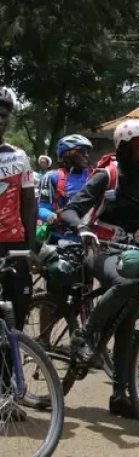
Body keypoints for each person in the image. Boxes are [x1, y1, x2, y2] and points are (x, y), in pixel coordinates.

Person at [61, 119, 139, 418]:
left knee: (127, 328)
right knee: (126, 285)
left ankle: (120, 395)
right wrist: (81, 227)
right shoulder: (107, 176)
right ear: (126, 148)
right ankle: (83, 337)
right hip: (99, 251)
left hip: (132, 257)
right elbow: (70, 210)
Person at [0, 86, 37, 422]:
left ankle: (7, 395)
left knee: (14, 324)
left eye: (5, 113)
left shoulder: (19, 157)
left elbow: (29, 204)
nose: (1, 117)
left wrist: (30, 250)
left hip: (13, 248)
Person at [38, 134, 93, 243]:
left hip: (90, 239)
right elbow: (41, 207)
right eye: (81, 151)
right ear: (66, 154)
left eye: (87, 152)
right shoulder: (51, 177)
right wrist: (51, 216)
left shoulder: (95, 176)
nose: (86, 155)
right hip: (60, 239)